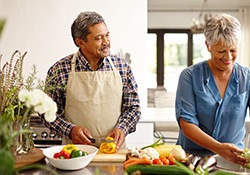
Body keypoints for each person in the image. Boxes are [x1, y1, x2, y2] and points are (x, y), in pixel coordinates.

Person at [41, 11, 141, 150]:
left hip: (114, 153)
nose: (106, 42)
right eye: (99, 38)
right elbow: (47, 113)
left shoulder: (122, 68)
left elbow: (133, 108)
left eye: (107, 35)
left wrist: (122, 128)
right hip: (75, 153)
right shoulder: (59, 70)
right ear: (80, 42)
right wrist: (70, 130)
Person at [175, 13, 250, 166]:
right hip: (192, 159)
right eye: (221, 51)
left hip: (235, 159)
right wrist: (218, 148)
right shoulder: (189, 76)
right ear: (208, 45)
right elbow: (187, 124)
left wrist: (225, 152)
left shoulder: (247, 77)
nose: (228, 57)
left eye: (233, 50)